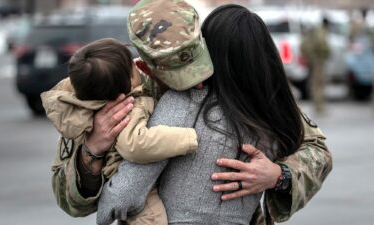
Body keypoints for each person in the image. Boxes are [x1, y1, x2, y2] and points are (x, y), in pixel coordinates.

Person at [50, 1, 332, 225]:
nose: (198, 81)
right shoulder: (111, 94)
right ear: (146, 68)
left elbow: (317, 150)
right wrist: (92, 152)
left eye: (199, 64)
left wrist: (278, 175)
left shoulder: (235, 86)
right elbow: (74, 203)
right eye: (180, 75)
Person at [42, 38, 201, 224]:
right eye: (133, 67)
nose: (139, 66)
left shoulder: (103, 81)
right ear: (128, 83)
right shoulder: (120, 107)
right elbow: (71, 202)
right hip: (140, 196)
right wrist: (92, 152)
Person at [300, 17, 331, 114]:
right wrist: (325, 53)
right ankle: (319, 107)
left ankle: (317, 106)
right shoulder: (321, 31)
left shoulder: (315, 31)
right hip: (318, 60)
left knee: (315, 83)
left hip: (314, 60)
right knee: (318, 84)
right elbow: (321, 44)